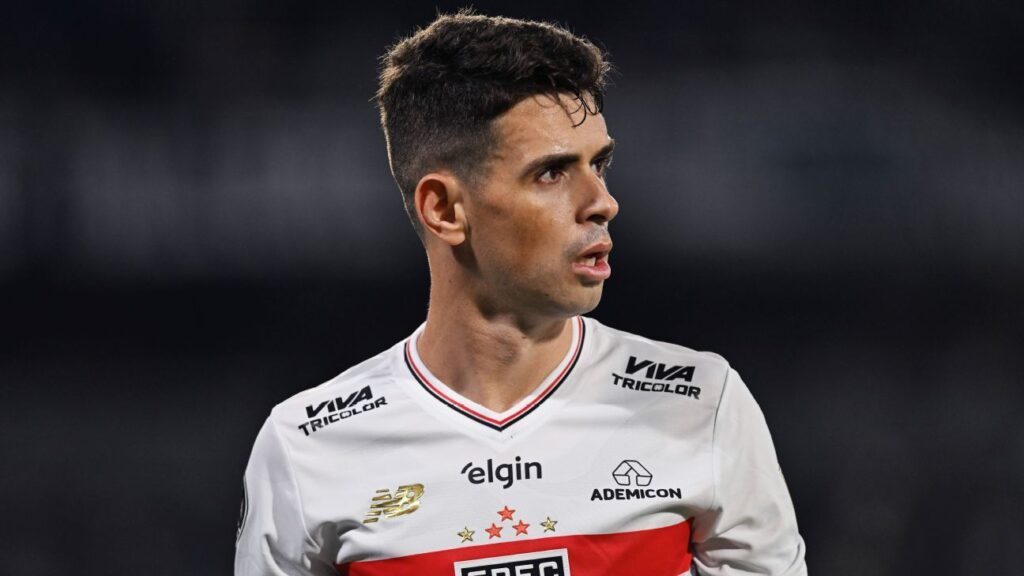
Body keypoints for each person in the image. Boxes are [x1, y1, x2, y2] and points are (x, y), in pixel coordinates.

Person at [235, 11, 806, 576]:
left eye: (599, 164)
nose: (602, 202)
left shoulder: (701, 404)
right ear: (444, 209)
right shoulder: (306, 446)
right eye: (552, 173)